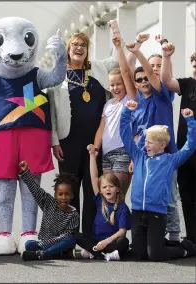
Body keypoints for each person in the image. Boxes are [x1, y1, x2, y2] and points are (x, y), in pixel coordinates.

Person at [50, 21, 137, 237]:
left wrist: (117, 32)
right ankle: (70, 237)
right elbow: (51, 113)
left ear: (87, 51)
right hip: (67, 142)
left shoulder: (97, 67)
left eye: (83, 45)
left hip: (95, 145)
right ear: (68, 50)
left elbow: (119, 59)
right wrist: (54, 141)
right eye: (74, 45)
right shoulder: (58, 77)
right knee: (69, 189)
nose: (79, 48)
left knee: (93, 190)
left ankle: (90, 236)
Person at [120, 99, 196, 261]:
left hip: (157, 214)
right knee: (138, 255)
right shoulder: (139, 156)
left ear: (162, 145)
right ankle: (155, 244)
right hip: (138, 212)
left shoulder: (170, 160)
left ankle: (185, 249)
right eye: (145, 141)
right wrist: (127, 112)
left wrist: (190, 121)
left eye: (150, 142)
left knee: (155, 255)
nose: (145, 144)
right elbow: (125, 133)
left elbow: (190, 146)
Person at [126, 35, 181, 245]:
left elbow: (151, 74)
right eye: (152, 65)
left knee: (169, 196)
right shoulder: (138, 101)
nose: (154, 69)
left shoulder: (164, 94)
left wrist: (138, 52)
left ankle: (175, 237)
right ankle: (153, 237)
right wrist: (134, 158)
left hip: (166, 157)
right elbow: (136, 135)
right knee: (149, 196)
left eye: (158, 66)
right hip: (145, 158)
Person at [93, 32, 137, 196]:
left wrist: (119, 47)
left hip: (123, 152)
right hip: (106, 154)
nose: (116, 87)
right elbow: (101, 128)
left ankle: (123, 222)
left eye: (119, 84)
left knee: (118, 197)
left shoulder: (130, 100)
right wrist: (96, 148)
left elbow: (126, 72)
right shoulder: (108, 104)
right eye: (112, 84)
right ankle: (111, 222)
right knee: (107, 198)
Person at [161, 43, 196, 245]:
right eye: (194, 64)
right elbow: (166, 81)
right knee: (187, 196)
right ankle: (191, 237)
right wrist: (167, 56)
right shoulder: (187, 84)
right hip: (185, 151)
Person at [75, 144, 131, 261]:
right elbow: (94, 177)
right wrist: (91, 156)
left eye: (111, 186)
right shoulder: (100, 200)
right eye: (104, 187)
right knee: (76, 236)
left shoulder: (122, 208)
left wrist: (106, 242)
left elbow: (122, 231)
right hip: (96, 240)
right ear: (100, 190)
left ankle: (96, 252)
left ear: (118, 189)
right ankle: (99, 253)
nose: (107, 189)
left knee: (124, 242)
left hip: (111, 243)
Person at [18, 161, 79, 261]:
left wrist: (51, 243)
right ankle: (59, 254)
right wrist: (26, 172)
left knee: (71, 239)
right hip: (44, 242)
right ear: (55, 195)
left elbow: (66, 236)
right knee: (28, 244)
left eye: (67, 194)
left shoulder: (74, 215)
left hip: (60, 243)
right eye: (60, 194)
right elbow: (35, 189)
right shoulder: (48, 202)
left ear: (72, 195)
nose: (63, 197)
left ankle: (43, 254)